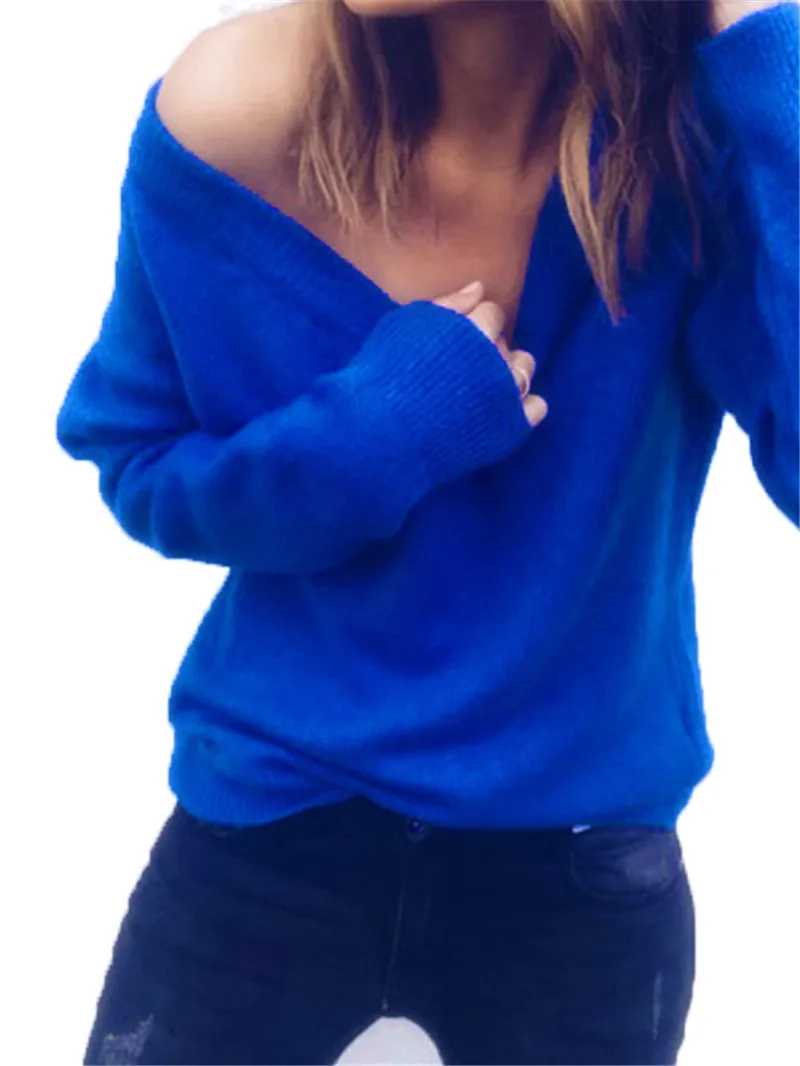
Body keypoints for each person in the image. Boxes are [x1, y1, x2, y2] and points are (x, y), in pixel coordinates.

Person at [55, 0, 798, 1063]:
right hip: (268, 823)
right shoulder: (229, 115)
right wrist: (368, 438)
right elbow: (136, 458)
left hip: (579, 859)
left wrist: (771, 45)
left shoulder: (698, 139)